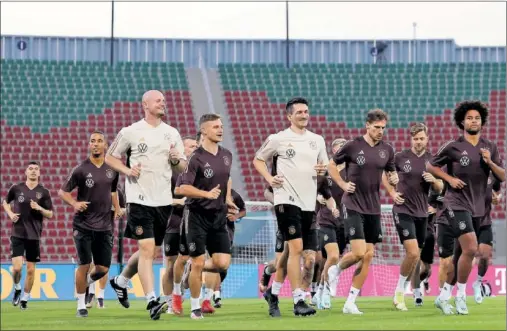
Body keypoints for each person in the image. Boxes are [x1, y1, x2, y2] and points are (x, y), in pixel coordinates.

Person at [106, 90, 187, 320]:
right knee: (147, 250)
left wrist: (175, 159)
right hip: (139, 199)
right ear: (145, 104)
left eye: (164, 100)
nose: (163, 103)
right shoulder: (131, 131)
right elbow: (110, 157)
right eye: (158, 100)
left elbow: (182, 166)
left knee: (148, 251)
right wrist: (126, 170)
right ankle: (152, 300)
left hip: (163, 200)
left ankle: (120, 281)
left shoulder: (172, 133)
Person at [427, 100, 505, 315]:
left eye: (477, 118)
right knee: (471, 249)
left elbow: (502, 176)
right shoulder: (453, 146)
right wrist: (448, 179)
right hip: (456, 203)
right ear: (462, 121)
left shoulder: (490, 147)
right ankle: (461, 296)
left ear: (482, 122)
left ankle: (443, 297)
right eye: (469, 118)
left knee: (461, 255)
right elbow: (431, 165)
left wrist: (489, 163)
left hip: (479, 207)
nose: (473, 121)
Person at [253, 97, 328, 317]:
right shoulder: (278, 139)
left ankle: (273, 294)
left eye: (306, 111)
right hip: (286, 200)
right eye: (299, 112)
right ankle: (298, 301)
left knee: (288, 252)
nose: (304, 115)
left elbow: (323, 168)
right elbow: (258, 159)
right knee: (297, 249)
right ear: (289, 116)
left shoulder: (317, 140)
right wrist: (269, 177)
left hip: (308, 202)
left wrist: (321, 169)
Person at [327, 109, 398, 315]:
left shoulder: (387, 150)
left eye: (383, 128)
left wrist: (394, 181)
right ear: (367, 125)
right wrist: (341, 183)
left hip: (373, 207)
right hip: (353, 204)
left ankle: (350, 301)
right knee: (358, 252)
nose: (380, 131)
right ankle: (336, 269)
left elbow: (391, 174)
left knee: (367, 256)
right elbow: (331, 165)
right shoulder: (352, 145)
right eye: (376, 127)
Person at [178, 113, 237, 319]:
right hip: (197, 215)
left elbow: (226, 179)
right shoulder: (196, 158)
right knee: (199, 263)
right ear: (203, 131)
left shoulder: (227, 155)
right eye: (215, 127)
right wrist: (205, 194)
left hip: (219, 217)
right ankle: (195, 308)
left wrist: (228, 199)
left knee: (222, 264)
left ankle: (191, 265)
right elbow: (181, 188)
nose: (220, 130)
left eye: (221, 126)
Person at [58, 131, 121, 317]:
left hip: (105, 226)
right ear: (89, 145)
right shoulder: (80, 170)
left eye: (99, 141)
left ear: (105, 145)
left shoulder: (112, 169)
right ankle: (80, 305)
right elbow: (63, 192)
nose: (95, 144)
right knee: (84, 264)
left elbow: (113, 191)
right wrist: (74, 203)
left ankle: (84, 282)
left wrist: (117, 208)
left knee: (103, 268)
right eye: (92, 141)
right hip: (83, 225)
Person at [382, 123, 443, 311]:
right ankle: (400, 293)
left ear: (427, 138)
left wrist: (434, 181)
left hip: (422, 214)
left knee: (416, 257)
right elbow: (385, 175)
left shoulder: (432, 161)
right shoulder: (400, 157)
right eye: (415, 139)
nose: (418, 142)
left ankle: (405, 290)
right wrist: (392, 193)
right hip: (402, 210)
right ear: (411, 139)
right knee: (413, 252)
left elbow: (441, 187)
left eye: (421, 138)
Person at [2, 161, 53, 310]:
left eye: (36, 169)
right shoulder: (16, 188)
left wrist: (39, 208)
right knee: (17, 268)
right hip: (17, 233)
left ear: (39, 173)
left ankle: (25, 298)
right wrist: (10, 213)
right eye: (30, 169)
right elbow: (5, 202)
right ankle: (17, 288)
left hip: (34, 235)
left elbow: (50, 214)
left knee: (31, 270)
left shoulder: (44, 192)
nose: (33, 171)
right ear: (26, 172)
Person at [161, 136, 198, 313]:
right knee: (170, 263)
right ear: (182, 149)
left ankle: (188, 292)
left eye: (196, 146)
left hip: (196, 222)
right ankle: (170, 302)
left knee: (196, 261)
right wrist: (180, 201)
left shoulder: (199, 170)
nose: (194, 148)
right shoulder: (170, 171)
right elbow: (160, 197)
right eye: (190, 146)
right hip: (174, 222)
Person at [314, 138, 347, 309]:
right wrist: (319, 197)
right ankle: (326, 291)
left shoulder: (352, 172)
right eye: (339, 147)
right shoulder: (326, 170)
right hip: (326, 219)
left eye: (344, 147)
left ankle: (319, 290)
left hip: (345, 221)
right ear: (333, 151)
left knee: (331, 260)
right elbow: (314, 189)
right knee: (333, 256)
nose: (342, 150)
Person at [87, 182, 126, 309]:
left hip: (107, 230)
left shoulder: (117, 191)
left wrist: (119, 211)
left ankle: (101, 296)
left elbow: (124, 208)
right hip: (91, 229)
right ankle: (91, 293)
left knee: (104, 265)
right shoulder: (92, 188)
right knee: (92, 262)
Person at [212, 188, 247, 308]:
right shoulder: (212, 191)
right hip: (212, 231)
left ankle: (214, 289)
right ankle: (216, 294)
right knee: (215, 264)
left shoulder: (233, 194)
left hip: (228, 233)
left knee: (223, 267)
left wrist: (236, 216)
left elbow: (243, 210)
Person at [471, 174, 501, 304]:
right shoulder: (466, 171)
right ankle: (452, 290)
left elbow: (496, 191)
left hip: (485, 222)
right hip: (468, 221)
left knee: (484, 256)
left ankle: (477, 283)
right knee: (462, 257)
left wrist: (496, 197)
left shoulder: (492, 175)